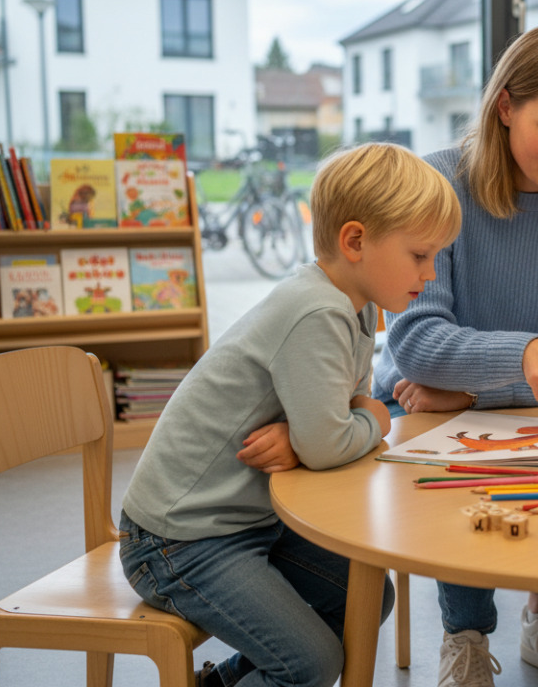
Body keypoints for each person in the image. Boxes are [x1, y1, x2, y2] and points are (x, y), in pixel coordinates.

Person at [119, 142, 462, 687]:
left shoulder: (357, 301)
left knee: (365, 601)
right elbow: (337, 434)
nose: (433, 272)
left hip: (248, 521)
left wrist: (313, 432)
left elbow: (328, 420)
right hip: (178, 540)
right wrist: (375, 418)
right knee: (311, 665)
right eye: (421, 255)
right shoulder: (319, 311)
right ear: (355, 242)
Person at [373, 24, 538, 687]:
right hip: (420, 407)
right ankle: (466, 636)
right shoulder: (437, 182)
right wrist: (525, 355)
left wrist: (471, 392)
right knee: (463, 462)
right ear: (506, 107)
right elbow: (415, 345)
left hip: (498, 405)